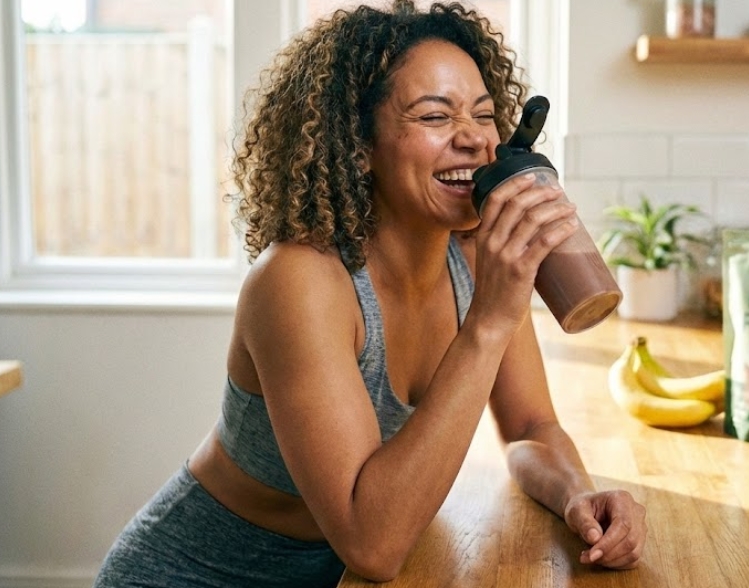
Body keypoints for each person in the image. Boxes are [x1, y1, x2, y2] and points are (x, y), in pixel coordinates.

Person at [94, 1, 647, 586]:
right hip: (203, 574)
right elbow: (372, 544)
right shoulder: (299, 281)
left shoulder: (476, 260)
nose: (474, 140)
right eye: (435, 117)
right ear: (359, 145)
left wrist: (578, 497)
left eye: (484, 116)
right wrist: (489, 321)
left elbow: (532, 427)